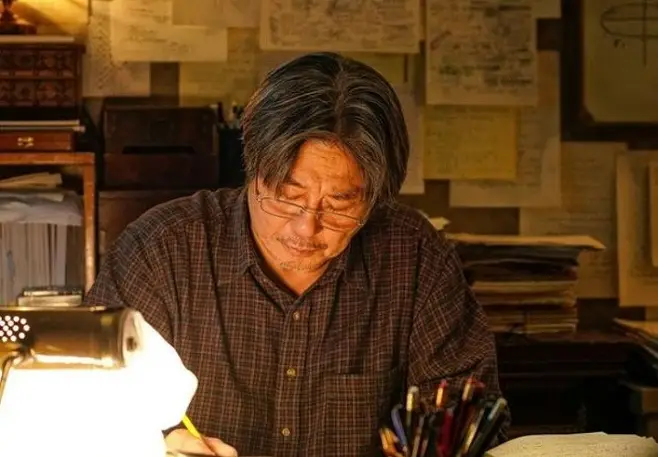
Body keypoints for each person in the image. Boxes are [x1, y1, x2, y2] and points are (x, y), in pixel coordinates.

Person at [85, 52, 507, 457]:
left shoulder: (413, 256)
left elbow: (468, 420)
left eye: (340, 204)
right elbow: (86, 408)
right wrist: (158, 445)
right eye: (287, 196)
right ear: (252, 168)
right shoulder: (162, 251)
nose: (306, 228)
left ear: (375, 200)